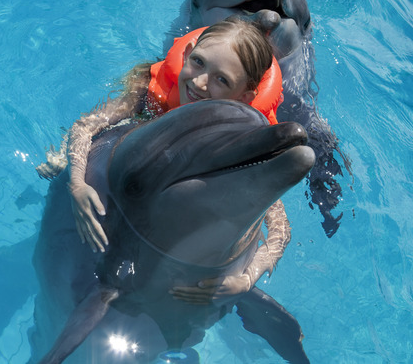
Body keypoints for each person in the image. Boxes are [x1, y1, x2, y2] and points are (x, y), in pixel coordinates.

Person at [37, 17, 292, 303]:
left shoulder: (241, 145)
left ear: (245, 97)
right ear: (186, 53)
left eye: (222, 80)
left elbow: (280, 225)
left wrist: (247, 278)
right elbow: (86, 126)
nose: (199, 82)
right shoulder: (150, 94)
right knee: (57, 163)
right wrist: (75, 182)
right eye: (198, 62)